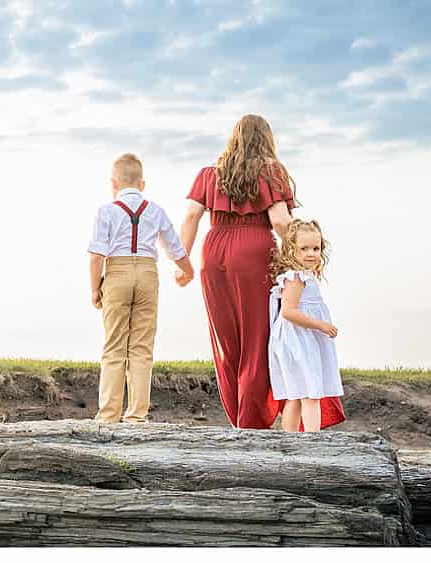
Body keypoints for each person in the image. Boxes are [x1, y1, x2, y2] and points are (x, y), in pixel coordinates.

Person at [180, 114, 342, 430]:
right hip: (254, 253)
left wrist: (183, 262)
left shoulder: (208, 174)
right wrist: (298, 254)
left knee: (227, 345)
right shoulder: (270, 172)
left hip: (213, 254)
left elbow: (190, 216)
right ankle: (250, 423)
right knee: (257, 342)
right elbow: (280, 220)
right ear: (266, 140)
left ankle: (238, 417)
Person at [88, 152, 196, 423]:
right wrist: (188, 271)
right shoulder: (155, 210)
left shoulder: (107, 210)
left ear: (113, 184)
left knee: (114, 345)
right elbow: (174, 247)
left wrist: (94, 288)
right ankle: (137, 414)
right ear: (142, 184)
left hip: (117, 272)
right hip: (147, 273)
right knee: (141, 346)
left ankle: (109, 415)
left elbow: (97, 253)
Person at [268, 219, 344, 433]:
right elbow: (288, 311)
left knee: (297, 392)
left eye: (316, 248)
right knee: (310, 392)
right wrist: (319, 325)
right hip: (296, 339)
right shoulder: (295, 277)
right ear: (291, 250)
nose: (311, 253)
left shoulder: (306, 276)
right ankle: (312, 438)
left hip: (300, 338)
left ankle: (290, 438)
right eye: (304, 249)